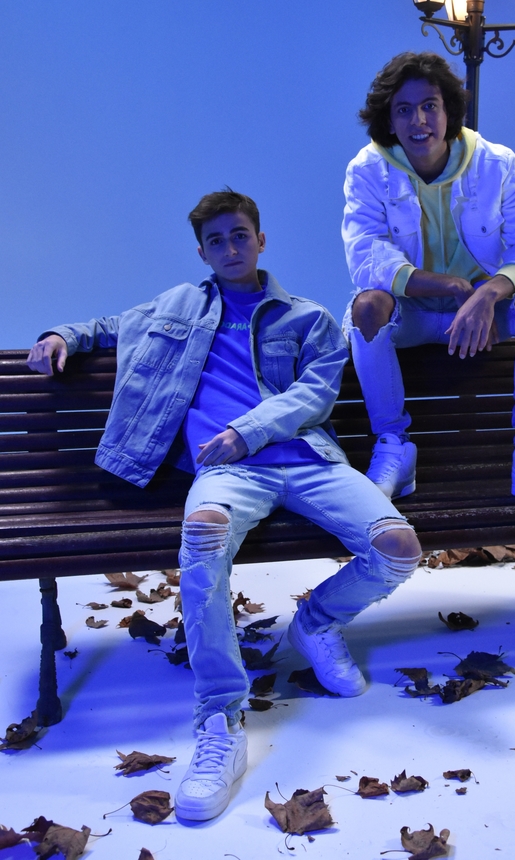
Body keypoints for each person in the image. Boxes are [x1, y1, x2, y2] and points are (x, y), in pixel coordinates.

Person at [27, 189, 421, 823]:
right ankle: (221, 719)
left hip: (308, 460)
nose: (230, 248)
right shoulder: (176, 306)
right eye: (216, 240)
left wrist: (248, 429)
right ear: (203, 252)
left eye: (240, 235)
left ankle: (317, 622)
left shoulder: (310, 318)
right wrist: (58, 335)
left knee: (398, 548)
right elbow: (109, 327)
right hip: (227, 471)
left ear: (260, 240)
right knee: (204, 533)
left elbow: (316, 394)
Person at [342, 51, 515, 502]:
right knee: (367, 306)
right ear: (389, 120)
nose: (418, 120)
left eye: (429, 105)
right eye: (403, 109)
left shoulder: (496, 163)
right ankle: (394, 448)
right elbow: (366, 257)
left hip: (486, 317)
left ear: (448, 111)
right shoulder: (367, 169)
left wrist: (486, 295)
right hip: (413, 318)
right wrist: (452, 287)